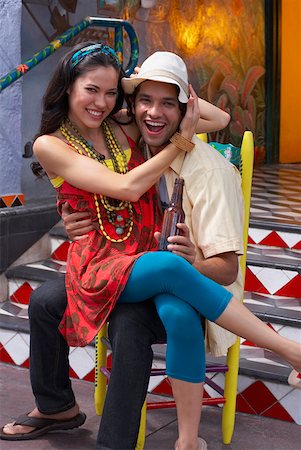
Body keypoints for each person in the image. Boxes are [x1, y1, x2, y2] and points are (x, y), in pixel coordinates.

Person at [1, 49, 300, 450]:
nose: (102, 102)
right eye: (91, 90)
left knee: (149, 307)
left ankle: (174, 437)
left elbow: (219, 119)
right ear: (67, 87)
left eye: (111, 93)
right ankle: (286, 349)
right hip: (98, 262)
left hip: (132, 255)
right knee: (61, 297)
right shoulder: (50, 145)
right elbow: (127, 188)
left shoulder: (120, 125)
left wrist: (152, 79)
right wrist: (178, 140)